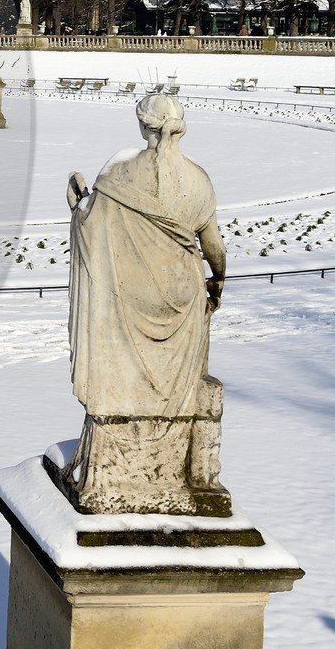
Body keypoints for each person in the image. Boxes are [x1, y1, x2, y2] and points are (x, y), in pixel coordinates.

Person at [64, 94, 228, 514]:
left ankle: (111, 468)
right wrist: (218, 280)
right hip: (183, 294)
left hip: (127, 294)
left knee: (120, 374)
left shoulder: (118, 171)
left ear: (143, 126)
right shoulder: (199, 180)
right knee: (178, 384)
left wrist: (78, 203)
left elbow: (91, 225)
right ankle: (175, 470)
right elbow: (213, 247)